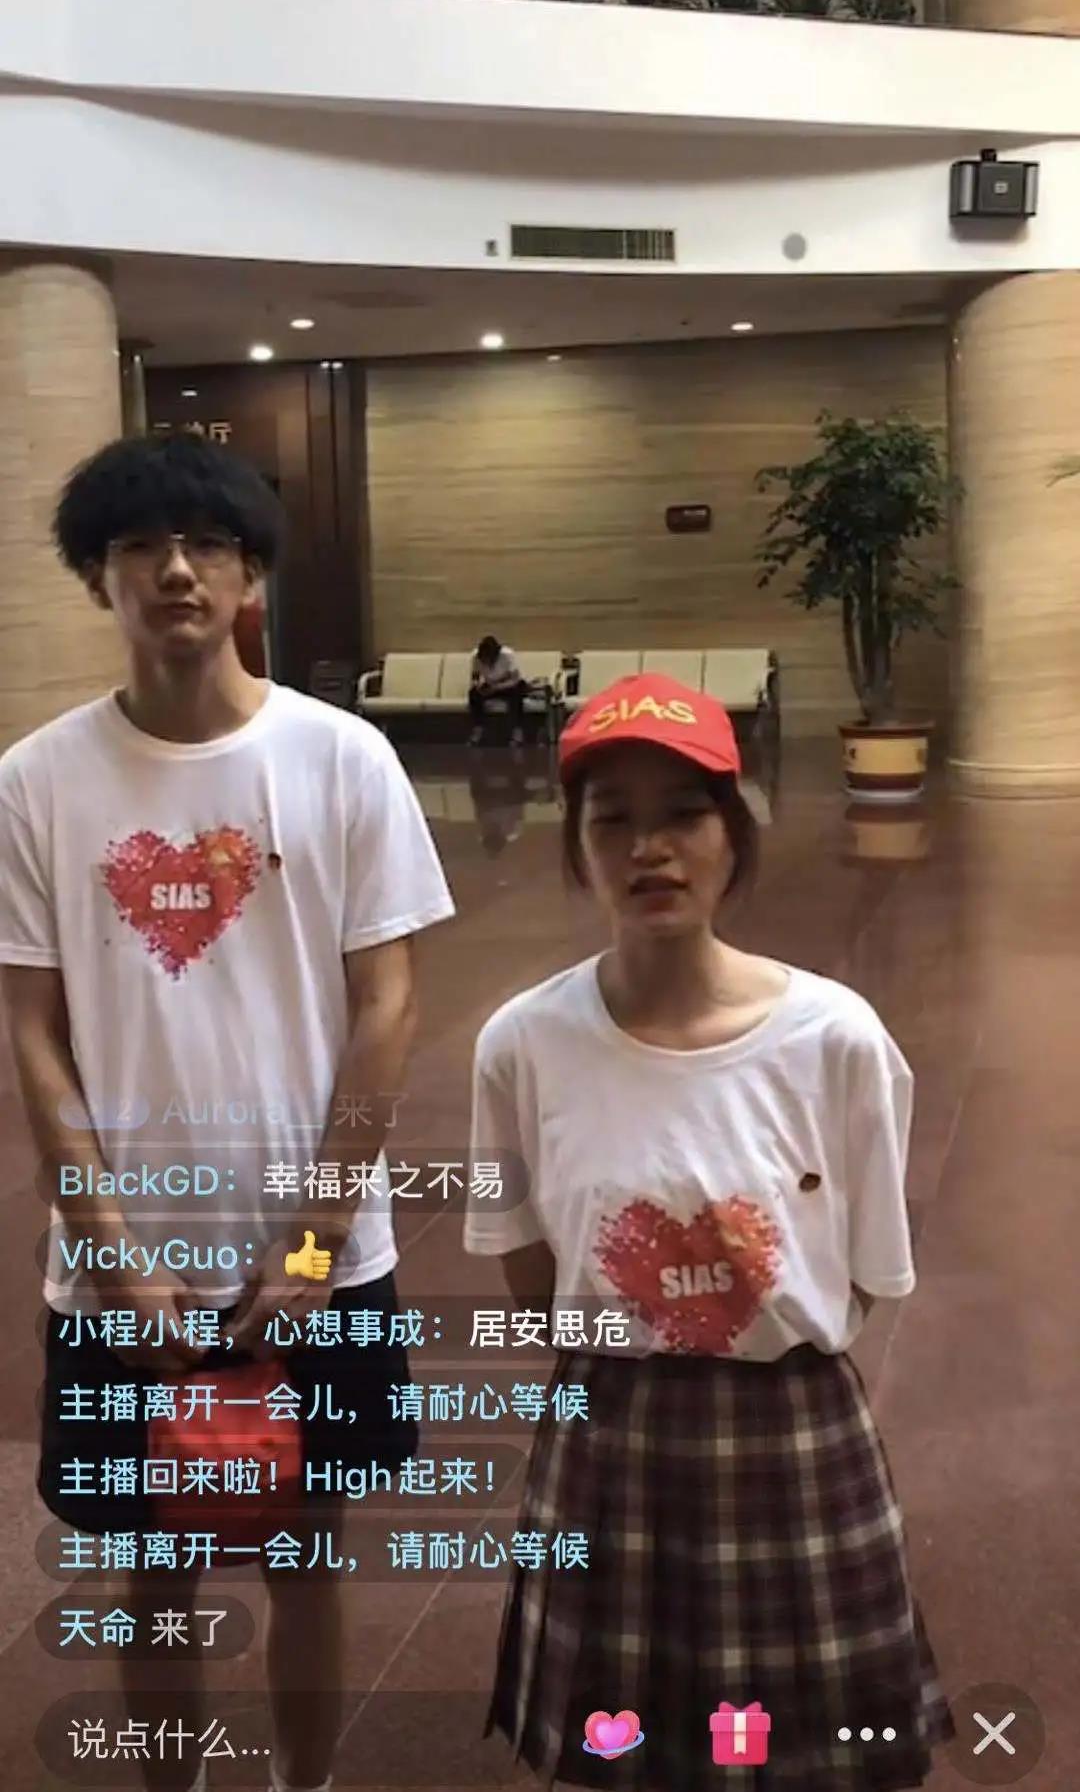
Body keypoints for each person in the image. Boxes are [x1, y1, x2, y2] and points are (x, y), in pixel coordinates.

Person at [0, 433, 455, 1792]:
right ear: (101, 576)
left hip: (315, 1258)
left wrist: (313, 1242)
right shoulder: (36, 781)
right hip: (122, 1262)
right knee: (154, 1558)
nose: (176, 570)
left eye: (206, 543)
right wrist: (115, 1257)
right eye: (140, 545)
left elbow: (388, 1005)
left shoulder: (343, 757)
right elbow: (33, 1031)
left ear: (251, 574)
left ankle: (304, 1781)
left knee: (306, 1547)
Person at [463, 673, 952, 1790]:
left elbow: (866, 1271)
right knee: (624, 1753)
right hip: (609, 1432)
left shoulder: (836, 1038)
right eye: (613, 819)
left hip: (792, 1428)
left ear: (735, 833)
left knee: (805, 1758)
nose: (651, 848)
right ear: (576, 845)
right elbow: (530, 1268)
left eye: (684, 814)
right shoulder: (522, 1045)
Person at [469, 634, 527, 747]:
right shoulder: (476, 656)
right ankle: (478, 730)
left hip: (508, 685)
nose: (486, 662)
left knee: (517, 694)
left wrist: (497, 687)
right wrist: (477, 685)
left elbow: (515, 679)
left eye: (489, 658)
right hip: (490, 685)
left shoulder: (507, 654)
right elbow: (475, 676)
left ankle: (517, 732)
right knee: (473, 694)